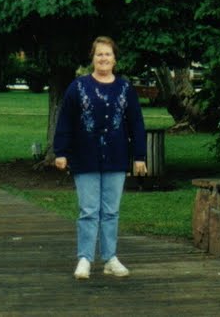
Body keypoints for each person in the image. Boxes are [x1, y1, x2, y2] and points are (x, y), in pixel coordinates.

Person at [53, 36, 147, 280]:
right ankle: (84, 258)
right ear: (92, 58)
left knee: (111, 211)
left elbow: (136, 123)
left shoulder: (125, 88)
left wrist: (139, 156)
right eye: (99, 54)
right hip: (85, 158)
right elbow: (66, 121)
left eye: (107, 54)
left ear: (115, 58)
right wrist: (61, 151)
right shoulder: (78, 87)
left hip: (116, 157)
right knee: (88, 210)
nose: (103, 58)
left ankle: (110, 258)